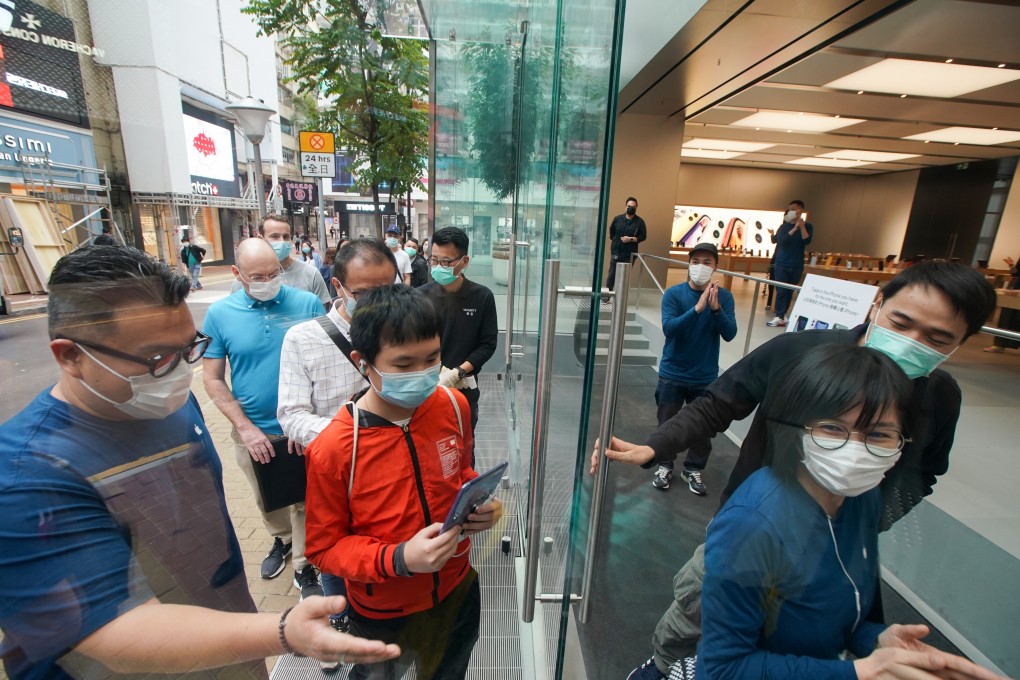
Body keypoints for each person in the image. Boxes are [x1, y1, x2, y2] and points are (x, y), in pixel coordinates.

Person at [0, 245, 399, 679]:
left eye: (188, 349)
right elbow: (114, 633)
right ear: (70, 356)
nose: (178, 371)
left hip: (223, 655)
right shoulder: (26, 475)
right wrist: (284, 631)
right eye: (157, 358)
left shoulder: (169, 405)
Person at [594, 261, 998, 672]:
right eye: (902, 321)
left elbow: (926, 471)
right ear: (877, 304)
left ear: (959, 343)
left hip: (840, 536)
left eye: (936, 337)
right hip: (756, 528)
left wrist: (871, 518)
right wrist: (656, 446)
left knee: (808, 631)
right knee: (699, 622)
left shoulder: (939, 397)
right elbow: (720, 402)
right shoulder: (802, 353)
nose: (912, 341)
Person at [632, 346, 1004, 680]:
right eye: (832, 428)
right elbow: (724, 667)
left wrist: (878, 639)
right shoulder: (754, 523)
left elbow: (847, 612)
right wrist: (860, 671)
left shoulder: (862, 498)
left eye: (879, 435)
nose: (854, 450)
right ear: (796, 428)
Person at [304, 284, 503, 680]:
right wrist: (398, 559)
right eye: (404, 364)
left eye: (432, 359)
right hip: (382, 613)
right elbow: (324, 549)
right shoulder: (336, 448)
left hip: (457, 588)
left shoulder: (453, 405)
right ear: (364, 363)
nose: (423, 374)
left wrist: (481, 505)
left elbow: (460, 473)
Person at [203, 239, 325, 599]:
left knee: (304, 500)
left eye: (275, 273)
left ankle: (305, 567)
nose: (269, 280)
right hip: (252, 429)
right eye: (258, 276)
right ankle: (282, 541)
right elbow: (212, 378)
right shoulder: (221, 314)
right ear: (236, 274)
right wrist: (245, 427)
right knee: (267, 499)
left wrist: (305, 422)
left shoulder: (306, 304)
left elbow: (324, 363)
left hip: (302, 427)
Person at [650, 243, 736, 495]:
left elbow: (729, 334)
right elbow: (670, 328)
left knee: (702, 428)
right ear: (689, 264)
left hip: (705, 376)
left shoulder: (725, 298)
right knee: (666, 423)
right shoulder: (674, 295)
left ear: (716, 267)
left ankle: (693, 468)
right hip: (673, 374)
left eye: (707, 262)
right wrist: (697, 309)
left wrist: (715, 309)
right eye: (696, 261)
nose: (701, 267)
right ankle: (664, 464)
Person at [420, 226, 498, 452]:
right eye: (434, 260)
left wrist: (457, 373)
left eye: (446, 262)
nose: (438, 267)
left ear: (464, 261)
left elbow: (487, 344)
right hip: (425, 389)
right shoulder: (420, 297)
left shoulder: (481, 296)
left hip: (463, 389)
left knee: (462, 448)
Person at [232, 214, 331, 309]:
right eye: (275, 236)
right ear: (260, 238)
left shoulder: (311, 274)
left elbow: (323, 316)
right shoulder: (246, 277)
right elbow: (236, 310)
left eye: (286, 236)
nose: (282, 241)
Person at [767, 200, 813, 327]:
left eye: (794, 209)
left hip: (796, 264)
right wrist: (794, 229)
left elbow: (807, 240)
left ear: (801, 210)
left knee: (789, 291)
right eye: (790, 209)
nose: (791, 211)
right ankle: (779, 315)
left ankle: (782, 315)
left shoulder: (808, 226)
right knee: (781, 290)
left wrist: (802, 227)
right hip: (782, 263)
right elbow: (781, 241)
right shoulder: (784, 227)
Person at [607, 196, 647, 292]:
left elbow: (643, 236)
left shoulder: (640, 222)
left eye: (633, 207)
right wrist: (616, 240)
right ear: (625, 206)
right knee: (611, 275)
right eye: (629, 206)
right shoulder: (617, 219)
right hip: (616, 252)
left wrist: (631, 239)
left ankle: (620, 298)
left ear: (636, 207)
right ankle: (607, 297)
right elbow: (611, 231)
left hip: (629, 255)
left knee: (624, 278)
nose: (630, 208)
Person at [984, 255, 1019, 353]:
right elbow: (1015, 273)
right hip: (1016, 289)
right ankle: (999, 345)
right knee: (1006, 317)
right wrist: (1011, 265)